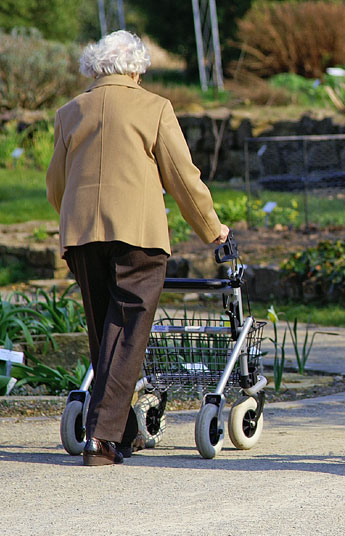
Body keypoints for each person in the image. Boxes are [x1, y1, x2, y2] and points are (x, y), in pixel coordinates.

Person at [46, 30, 229, 466]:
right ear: (134, 69)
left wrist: (74, 216)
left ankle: (122, 430)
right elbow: (182, 178)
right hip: (138, 236)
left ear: (95, 68)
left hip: (83, 236)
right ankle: (102, 438)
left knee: (103, 330)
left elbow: (56, 184)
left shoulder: (70, 112)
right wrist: (213, 229)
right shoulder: (155, 108)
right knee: (127, 332)